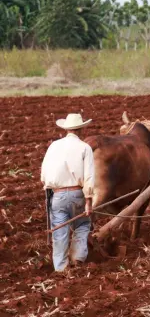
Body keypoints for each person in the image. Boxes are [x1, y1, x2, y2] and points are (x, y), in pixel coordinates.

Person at [41, 113, 95, 272]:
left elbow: (44, 175)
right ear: (81, 130)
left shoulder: (53, 146)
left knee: (59, 231)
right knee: (83, 225)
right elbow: (89, 177)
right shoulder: (85, 147)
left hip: (56, 195)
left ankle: (61, 269)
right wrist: (89, 201)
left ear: (66, 129)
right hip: (77, 194)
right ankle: (77, 259)